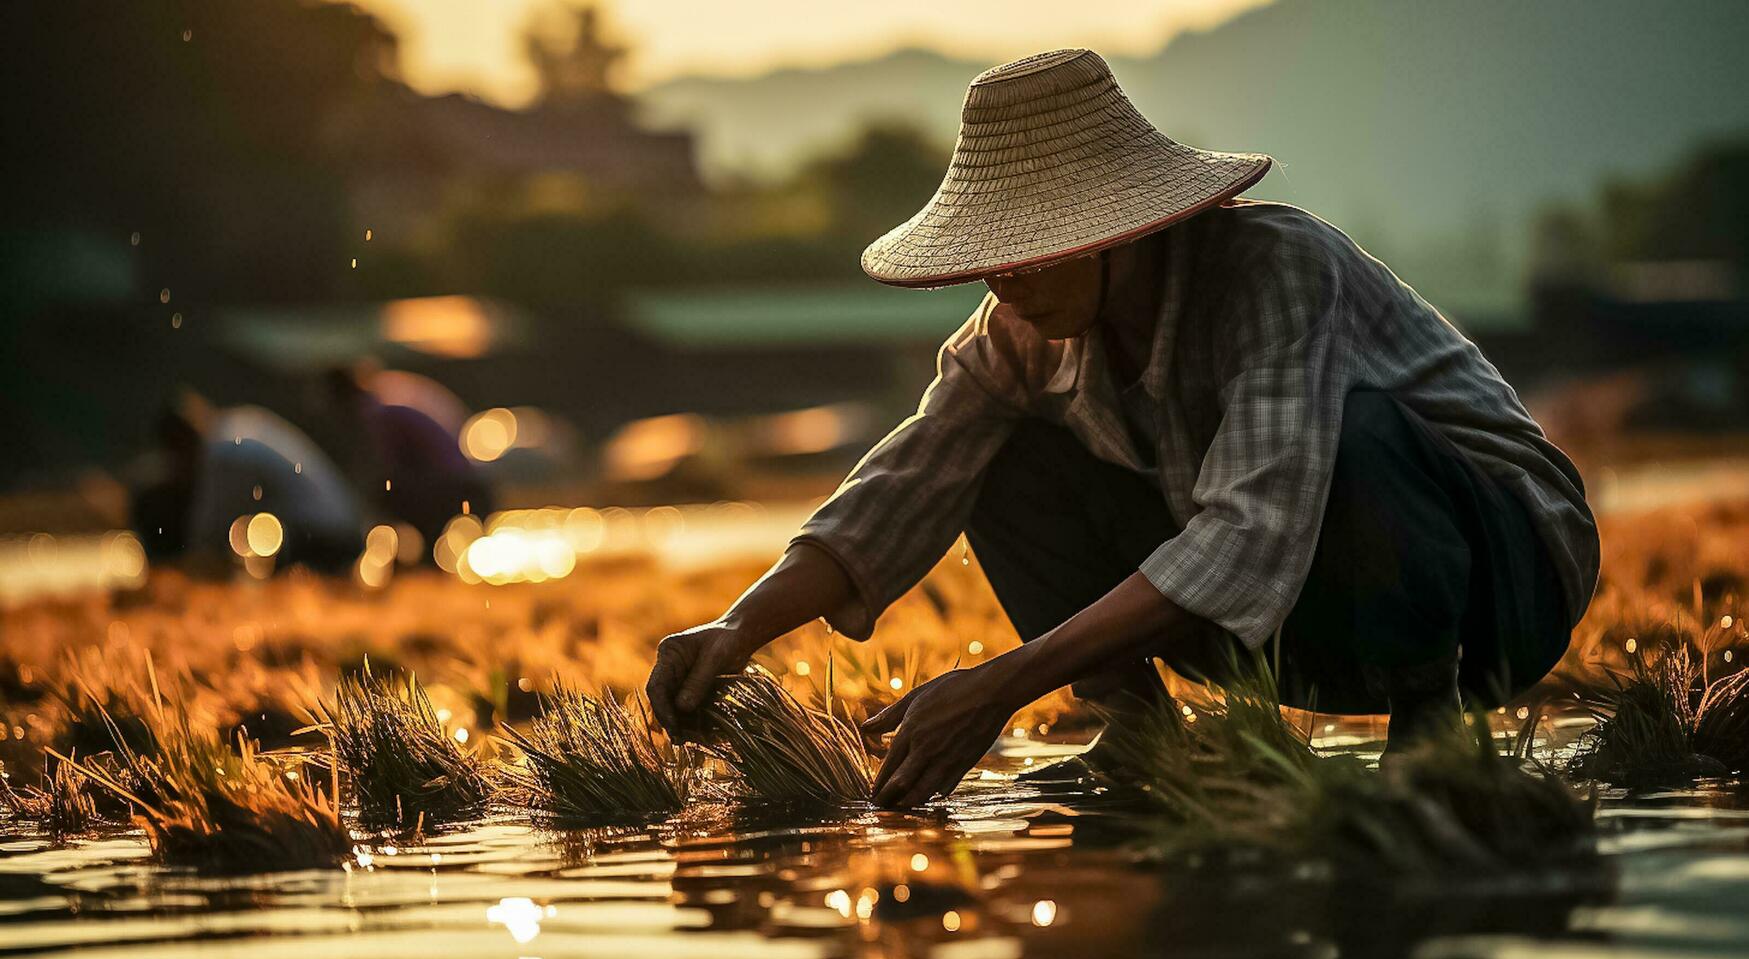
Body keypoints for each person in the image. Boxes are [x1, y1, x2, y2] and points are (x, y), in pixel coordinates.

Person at [644, 50, 1600, 808]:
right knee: (994, 454)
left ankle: (1428, 728)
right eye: (990, 257)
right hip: (1304, 623)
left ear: (1118, 232)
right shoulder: (1016, 332)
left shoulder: (1277, 270)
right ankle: (1138, 730)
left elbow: (1250, 529)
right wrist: (741, 626)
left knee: (1361, 431)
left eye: (1026, 251)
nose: (1001, 280)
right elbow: (904, 484)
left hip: (1497, 591)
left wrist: (1001, 683)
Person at [132, 394, 362, 572]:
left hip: (324, 540)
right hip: (343, 527)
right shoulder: (238, 423)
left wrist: (173, 570)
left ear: (180, 442)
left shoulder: (224, 452)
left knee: (251, 539)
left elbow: (208, 533)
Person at [323, 362, 495, 556]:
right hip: (467, 485)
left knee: (384, 496)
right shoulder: (386, 406)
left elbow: (385, 469)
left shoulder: (376, 415)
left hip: (453, 488)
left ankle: (393, 556)